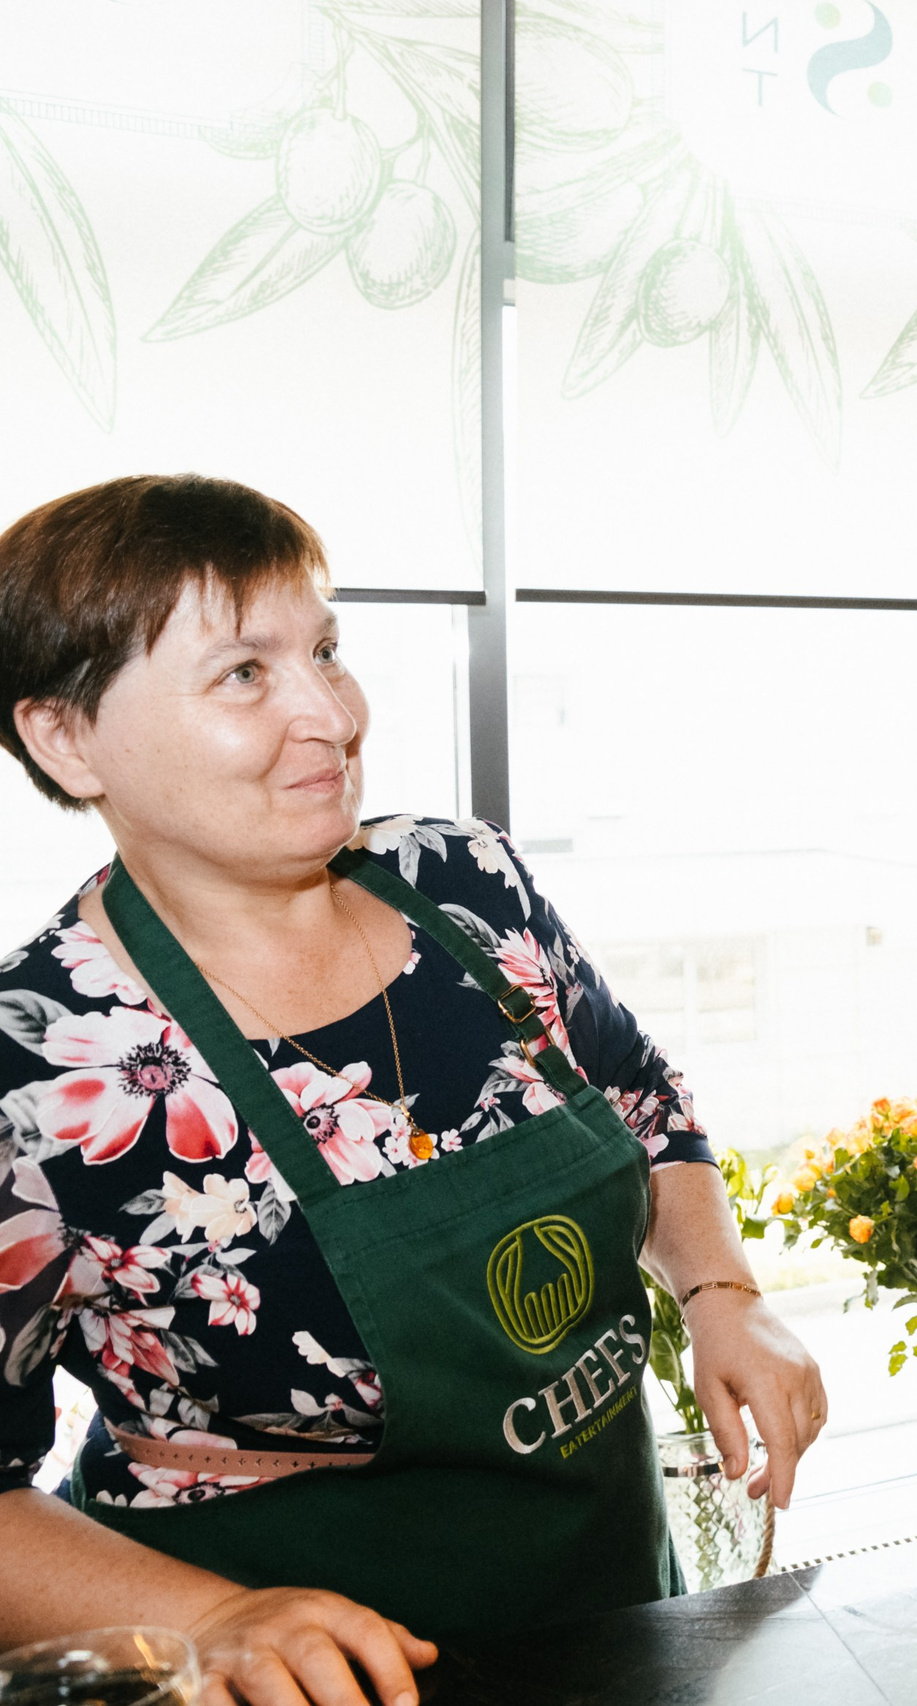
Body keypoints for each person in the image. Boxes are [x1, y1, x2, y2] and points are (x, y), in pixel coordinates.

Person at [0, 478, 824, 1696]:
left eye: (326, 649)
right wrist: (220, 1616)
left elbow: (640, 1100)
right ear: (67, 737)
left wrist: (719, 1289)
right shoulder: (41, 1065)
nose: (331, 712)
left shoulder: (462, 883)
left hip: (612, 1622)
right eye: (244, 673)